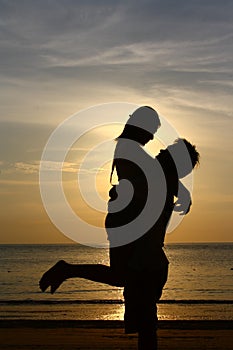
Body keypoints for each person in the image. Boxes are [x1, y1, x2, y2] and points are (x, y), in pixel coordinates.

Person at [39, 106, 200, 349]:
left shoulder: (144, 158)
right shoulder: (130, 150)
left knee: (128, 283)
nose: (152, 138)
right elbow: (151, 174)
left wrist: (182, 190)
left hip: (133, 231)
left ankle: (68, 270)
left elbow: (158, 172)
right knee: (129, 285)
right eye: (151, 131)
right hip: (128, 228)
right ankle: (68, 270)